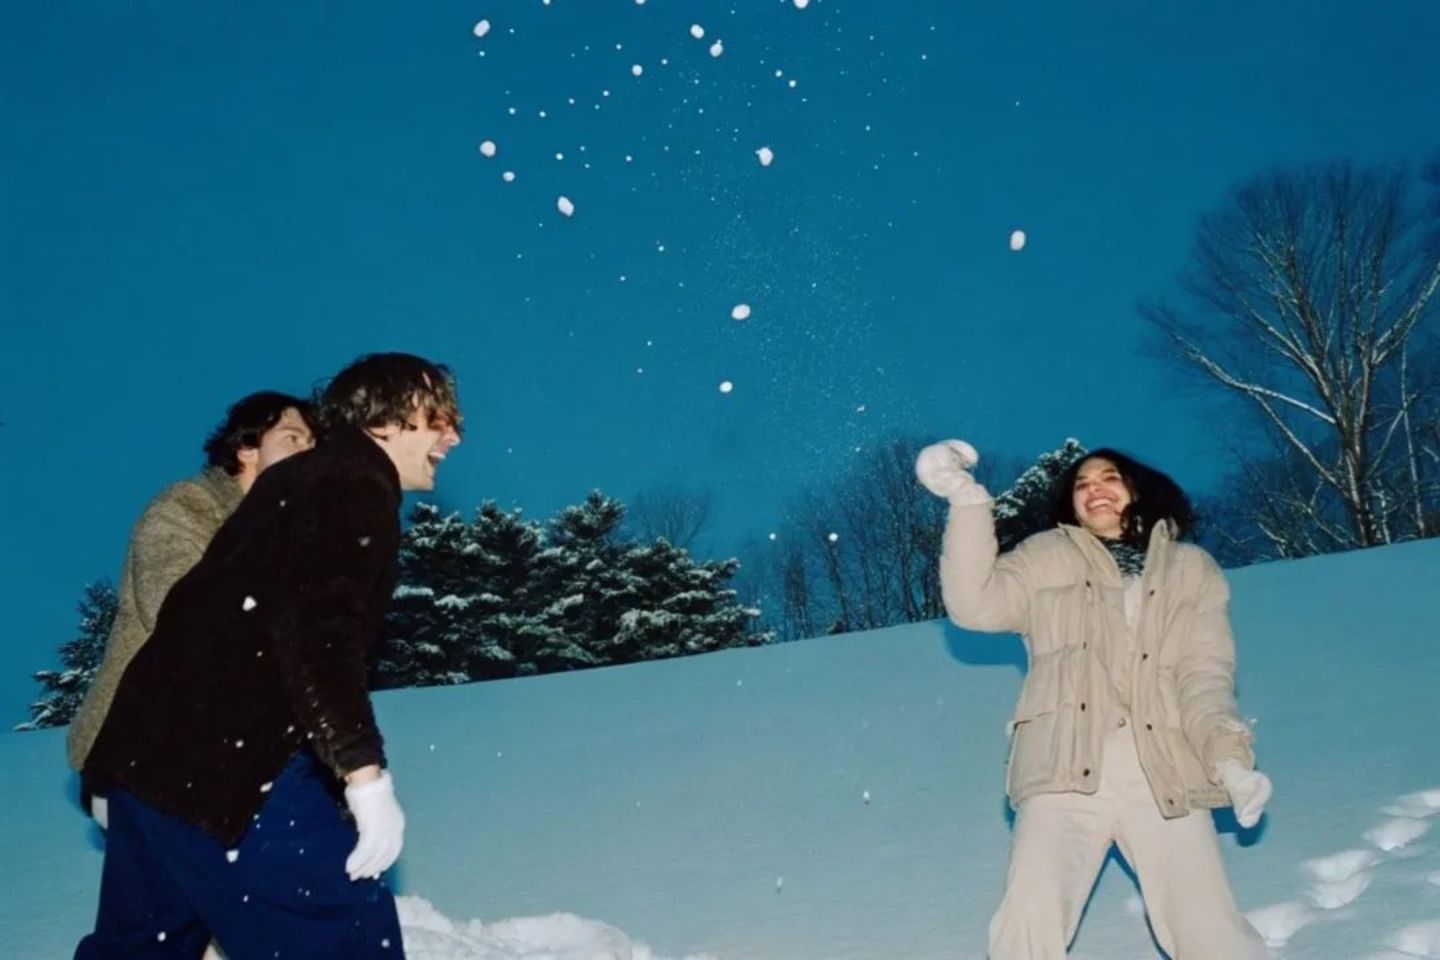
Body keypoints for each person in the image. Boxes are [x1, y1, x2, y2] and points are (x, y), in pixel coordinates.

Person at [77, 353, 463, 960]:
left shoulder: (286, 485)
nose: (453, 435)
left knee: (141, 949)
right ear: (383, 419)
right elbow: (318, 633)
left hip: (148, 767)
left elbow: (205, 617)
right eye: (438, 416)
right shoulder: (355, 483)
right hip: (235, 771)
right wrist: (364, 776)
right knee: (342, 942)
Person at [916, 440, 1272, 960]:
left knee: (1208, 928)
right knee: (1028, 923)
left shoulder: (1190, 568)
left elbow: (1205, 676)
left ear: (1137, 489)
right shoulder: (1046, 556)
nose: (1094, 489)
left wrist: (1229, 761)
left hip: (1164, 773)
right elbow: (974, 605)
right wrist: (967, 503)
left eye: (1109, 478)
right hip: (1063, 770)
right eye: (1082, 484)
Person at [67, 392, 317, 786]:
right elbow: (182, 617)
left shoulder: (286, 532)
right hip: (141, 748)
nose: (309, 452)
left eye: (313, 443)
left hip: (234, 747)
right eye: (293, 438)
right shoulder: (186, 508)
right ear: (247, 448)